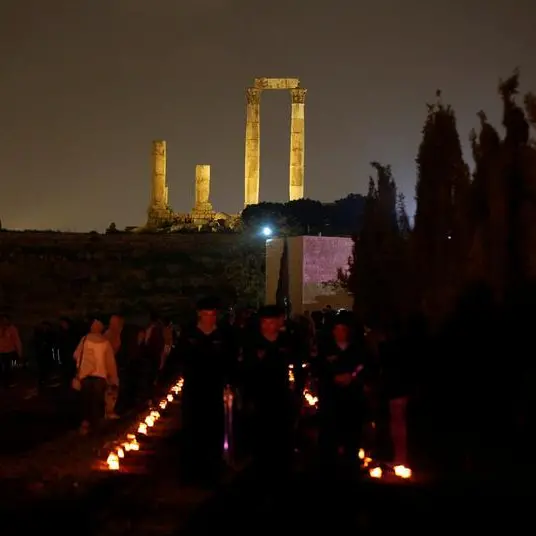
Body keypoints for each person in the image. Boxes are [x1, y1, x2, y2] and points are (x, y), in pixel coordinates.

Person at [178, 297, 234, 485]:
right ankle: (192, 470)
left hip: (214, 389)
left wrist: (230, 383)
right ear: (199, 314)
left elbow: (230, 361)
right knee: (193, 429)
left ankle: (213, 469)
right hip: (193, 389)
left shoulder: (223, 335)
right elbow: (178, 359)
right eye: (206, 314)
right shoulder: (189, 335)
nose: (210, 318)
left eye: (213, 314)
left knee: (214, 429)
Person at [242, 305, 300, 482]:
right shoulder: (252, 342)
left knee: (282, 433)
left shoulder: (287, 342)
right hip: (259, 396)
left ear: (279, 323)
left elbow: (297, 364)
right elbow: (246, 370)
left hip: (282, 395)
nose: (268, 326)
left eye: (272, 322)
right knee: (261, 434)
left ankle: (282, 470)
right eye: (264, 323)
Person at [315, 311, 368, 465]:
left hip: (352, 398)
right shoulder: (325, 350)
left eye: (343, 329)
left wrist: (352, 377)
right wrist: (332, 378)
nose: (339, 333)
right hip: (331, 397)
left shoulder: (358, 350)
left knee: (351, 431)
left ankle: (351, 460)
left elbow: (366, 368)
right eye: (336, 329)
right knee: (329, 431)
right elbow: (318, 369)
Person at [73, 316, 119, 435]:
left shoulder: (85, 339)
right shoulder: (105, 342)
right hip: (100, 377)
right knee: (97, 402)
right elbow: (110, 363)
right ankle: (96, 427)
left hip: (85, 376)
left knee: (85, 401)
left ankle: (85, 424)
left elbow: (76, 355)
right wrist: (113, 379)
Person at [0, 314, 22, 388]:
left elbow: (16, 340)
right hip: (1, 351)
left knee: (7, 368)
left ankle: (7, 382)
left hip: (9, 351)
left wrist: (19, 351)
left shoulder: (12, 329)